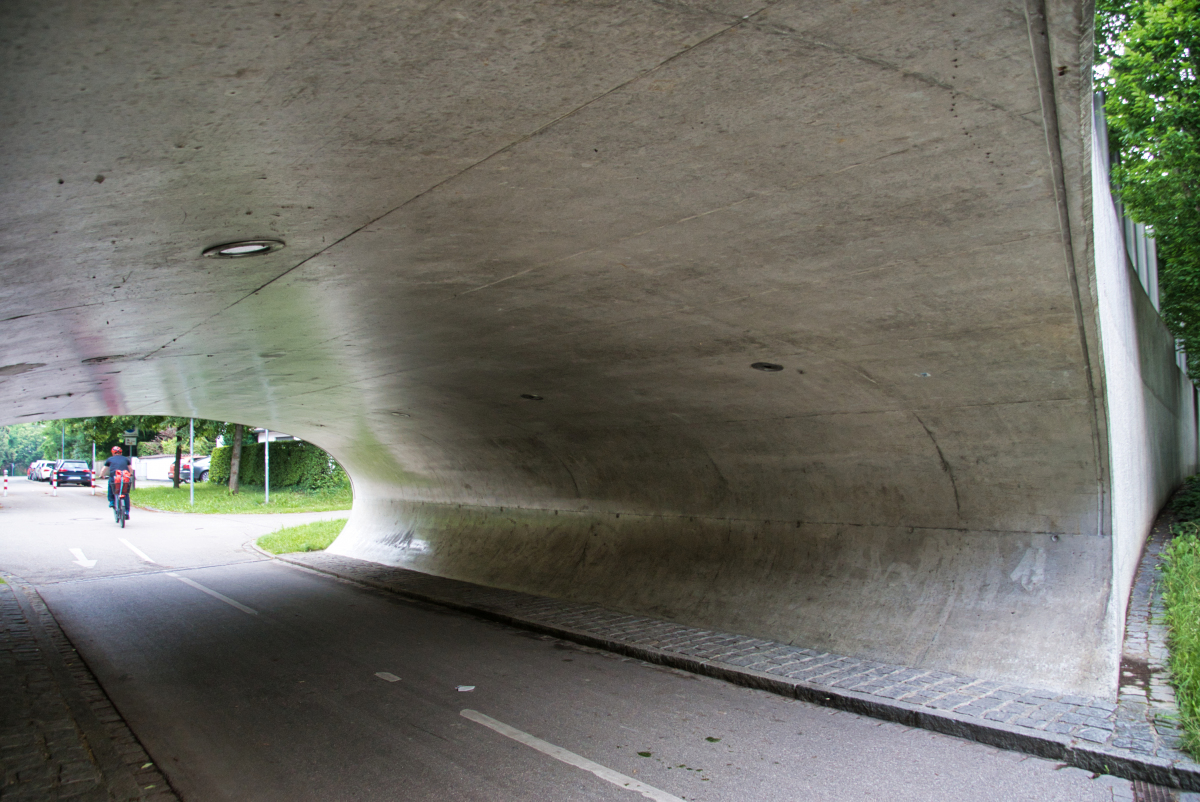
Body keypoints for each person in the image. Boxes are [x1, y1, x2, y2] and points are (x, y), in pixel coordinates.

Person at [99, 446, 134, 517]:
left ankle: (112, 501)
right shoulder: (126, 459)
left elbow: (103, 469)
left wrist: (101, 475)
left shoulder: (110, 459)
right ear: (121, 453)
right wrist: (130, 474)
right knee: (125, 493)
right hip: (124, 478)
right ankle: (126, 512)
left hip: (114, 478)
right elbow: (131, 469)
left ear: (112, 453)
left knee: (111, 487)